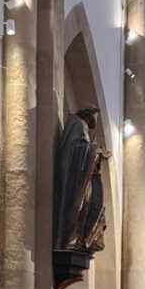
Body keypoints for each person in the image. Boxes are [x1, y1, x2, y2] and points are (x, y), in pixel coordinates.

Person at [53, 105, 110, 252]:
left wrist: (95, 153)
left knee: (93, 204)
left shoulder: (81, 128)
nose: (96, 121)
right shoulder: (77, 125)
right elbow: (75, 149)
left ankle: (80, 239)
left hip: (81, 178)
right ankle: (71, 238)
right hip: (74, 179)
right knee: (84, 206)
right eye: (95, 117)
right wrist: (96, 151)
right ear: (89, 115)